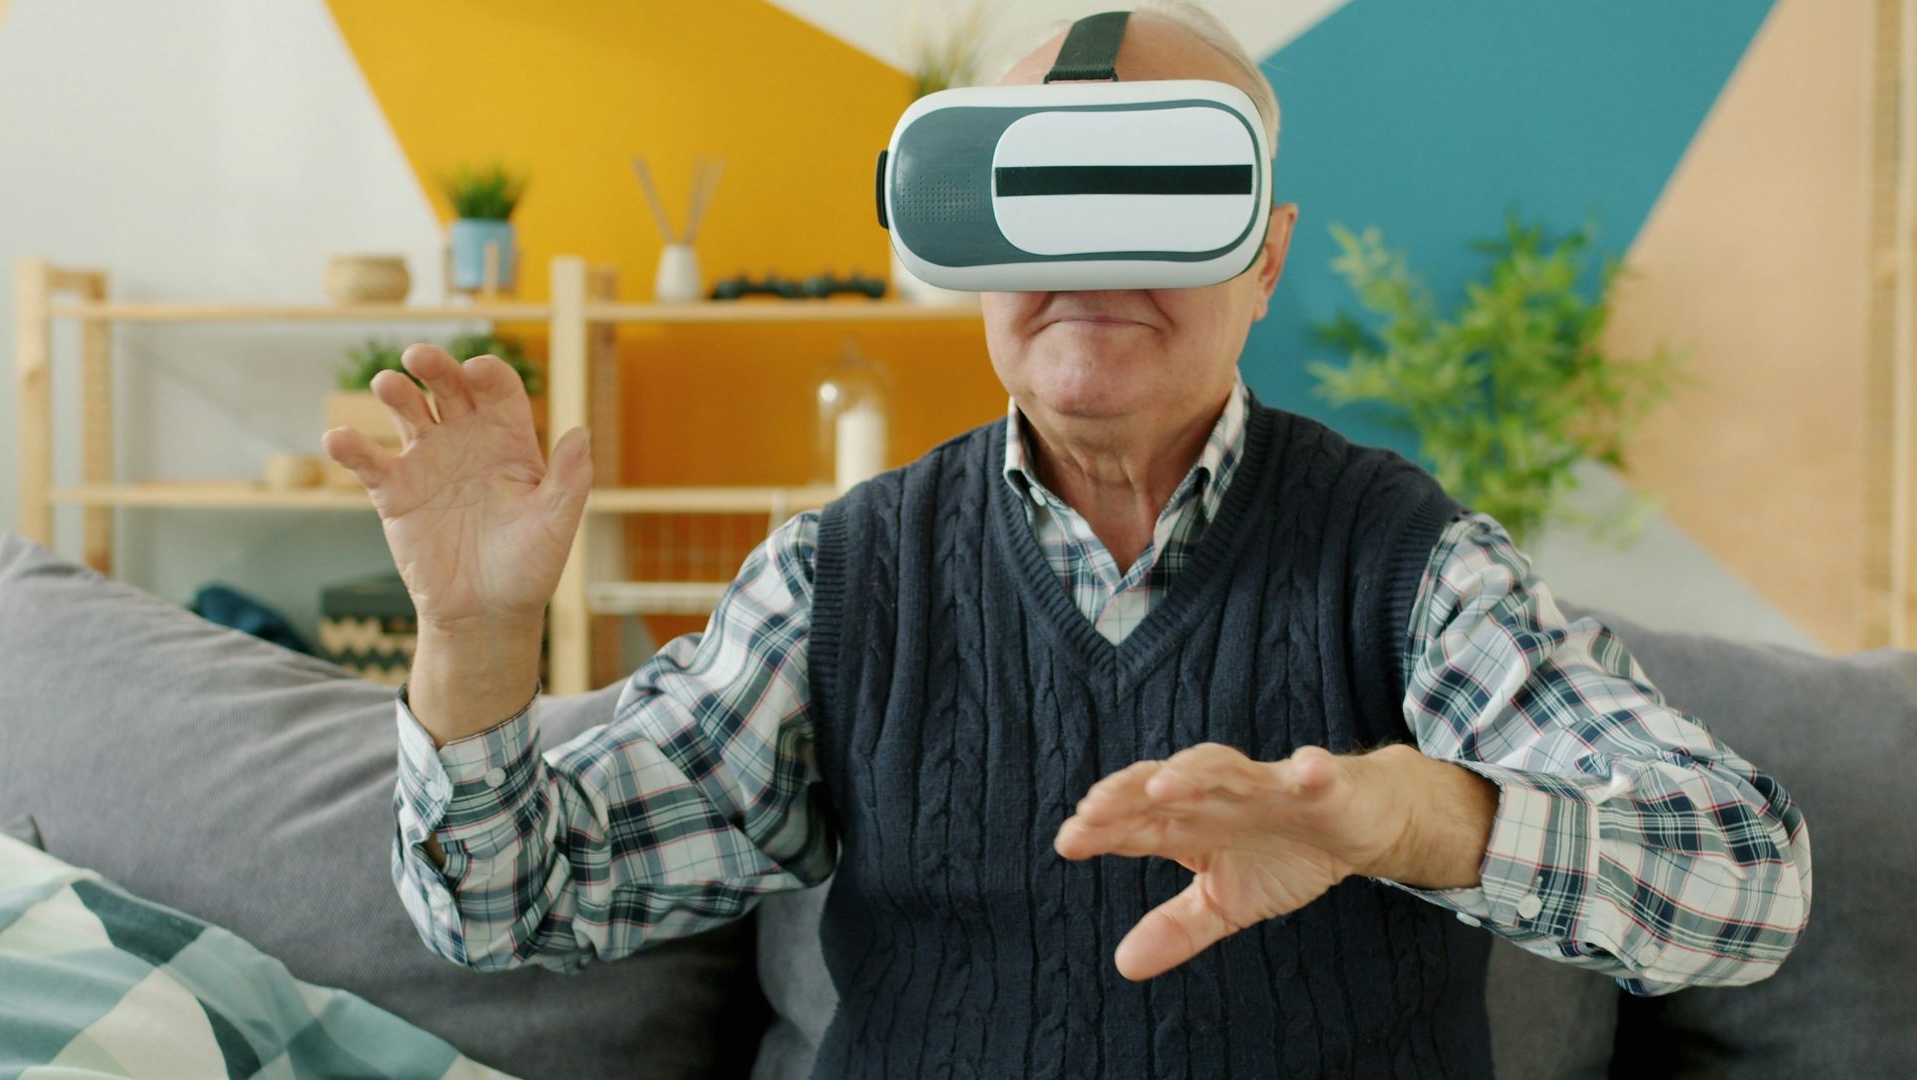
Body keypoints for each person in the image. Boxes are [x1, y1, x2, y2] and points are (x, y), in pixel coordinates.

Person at [322, 4, 1811, 1076]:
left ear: (1267, 257)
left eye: (1161, 192)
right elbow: (509, 903)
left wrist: (1419, 821)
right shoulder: (841, 577)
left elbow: (1748, 882)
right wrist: (470, 646)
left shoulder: (1410, 567)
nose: (1091, 258)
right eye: (1037, 197)